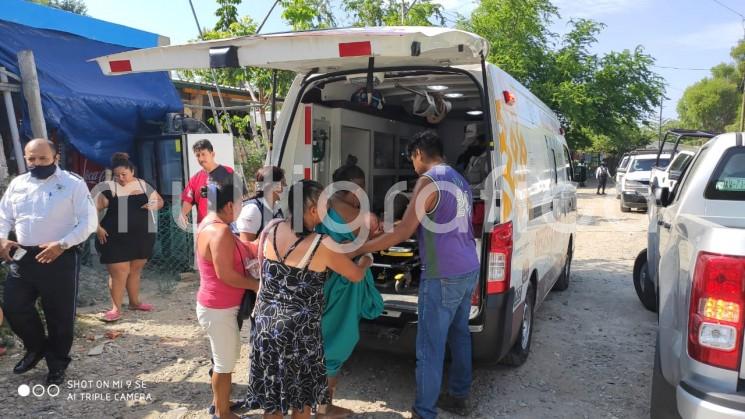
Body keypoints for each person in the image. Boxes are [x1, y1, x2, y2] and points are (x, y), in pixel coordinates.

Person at [356, 130, 480, 419]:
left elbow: (403, 232)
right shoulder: (458, 179)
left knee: (429, 346)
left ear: (419, 154)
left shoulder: (428, 180)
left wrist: (360, 247)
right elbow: (427, 218)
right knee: (460, 334)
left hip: (442, 274)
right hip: (467, 268)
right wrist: (391, 225)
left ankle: (424, 412)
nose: (412, 164)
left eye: (411, 158)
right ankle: (459, 395)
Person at [245, 179, 374, 419]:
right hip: (299, 333)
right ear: (314, 209)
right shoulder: (321, 244)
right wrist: (366, 260)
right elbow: (355, 275)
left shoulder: (271, 228)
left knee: (273, 399)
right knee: (301, 400)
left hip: (266, 324)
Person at [0, 138, 97, 385]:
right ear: (25, 158)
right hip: (23, 255)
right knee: (14, 305)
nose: (37, 163)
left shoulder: (72, 184)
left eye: (43, 158)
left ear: (56, 158)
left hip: (59, 255)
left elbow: (89, 222)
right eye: (31, 158)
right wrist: (2, 237)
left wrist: (62, 244)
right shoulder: (18, 184)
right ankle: (36, 347)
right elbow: (4, 215)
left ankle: (57, 365)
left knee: (59, 315)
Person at [316, 156, 384, 418]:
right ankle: (324, 405)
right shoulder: (356, 214)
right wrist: (367, 258)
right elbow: (372, 235)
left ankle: (317, 402)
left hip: (321, 283)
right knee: (337, 341)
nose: (362, 195)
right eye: (359, 189)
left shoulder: (321, 206)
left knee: (324, 339)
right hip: (343, 283)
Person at [195, 181, 259, 419]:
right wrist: (256, 285)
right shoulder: (219, 231)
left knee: (226, 358)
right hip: (218, 308)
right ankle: (222, 413)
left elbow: (242, 247)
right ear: (230, 204)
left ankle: (222, 402)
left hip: (219, 307)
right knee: (224, 363)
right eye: (242, 202)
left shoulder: (214, 224)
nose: (243, 207)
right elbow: (226, 274)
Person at [95, 152, 164, 322]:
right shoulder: (107, 188)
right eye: (117, 175)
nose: (121, 178)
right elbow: (91, 210)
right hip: (114, 237)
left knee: (135, 271)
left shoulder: (142, 185)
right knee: (119, 272)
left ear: (132, 171)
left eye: (124, 174)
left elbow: (160, 201)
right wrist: (97, 227)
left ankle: (135, 302)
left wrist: (154, 204)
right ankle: (115, 308)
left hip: (142, 236)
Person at [181, 139, 240, 226]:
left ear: (212, 154)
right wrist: (183, 213)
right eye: (198, 155)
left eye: (203, 154)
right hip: (204, 226)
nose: (200, 158)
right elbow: (188, 200)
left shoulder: (227, 172)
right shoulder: (194, 179)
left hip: (225, 225)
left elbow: (237, 196)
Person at [236, 166, 286, 242]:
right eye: (283, 183)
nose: (286, 186)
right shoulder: (253, 210)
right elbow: (246, 247)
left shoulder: (276, 208)